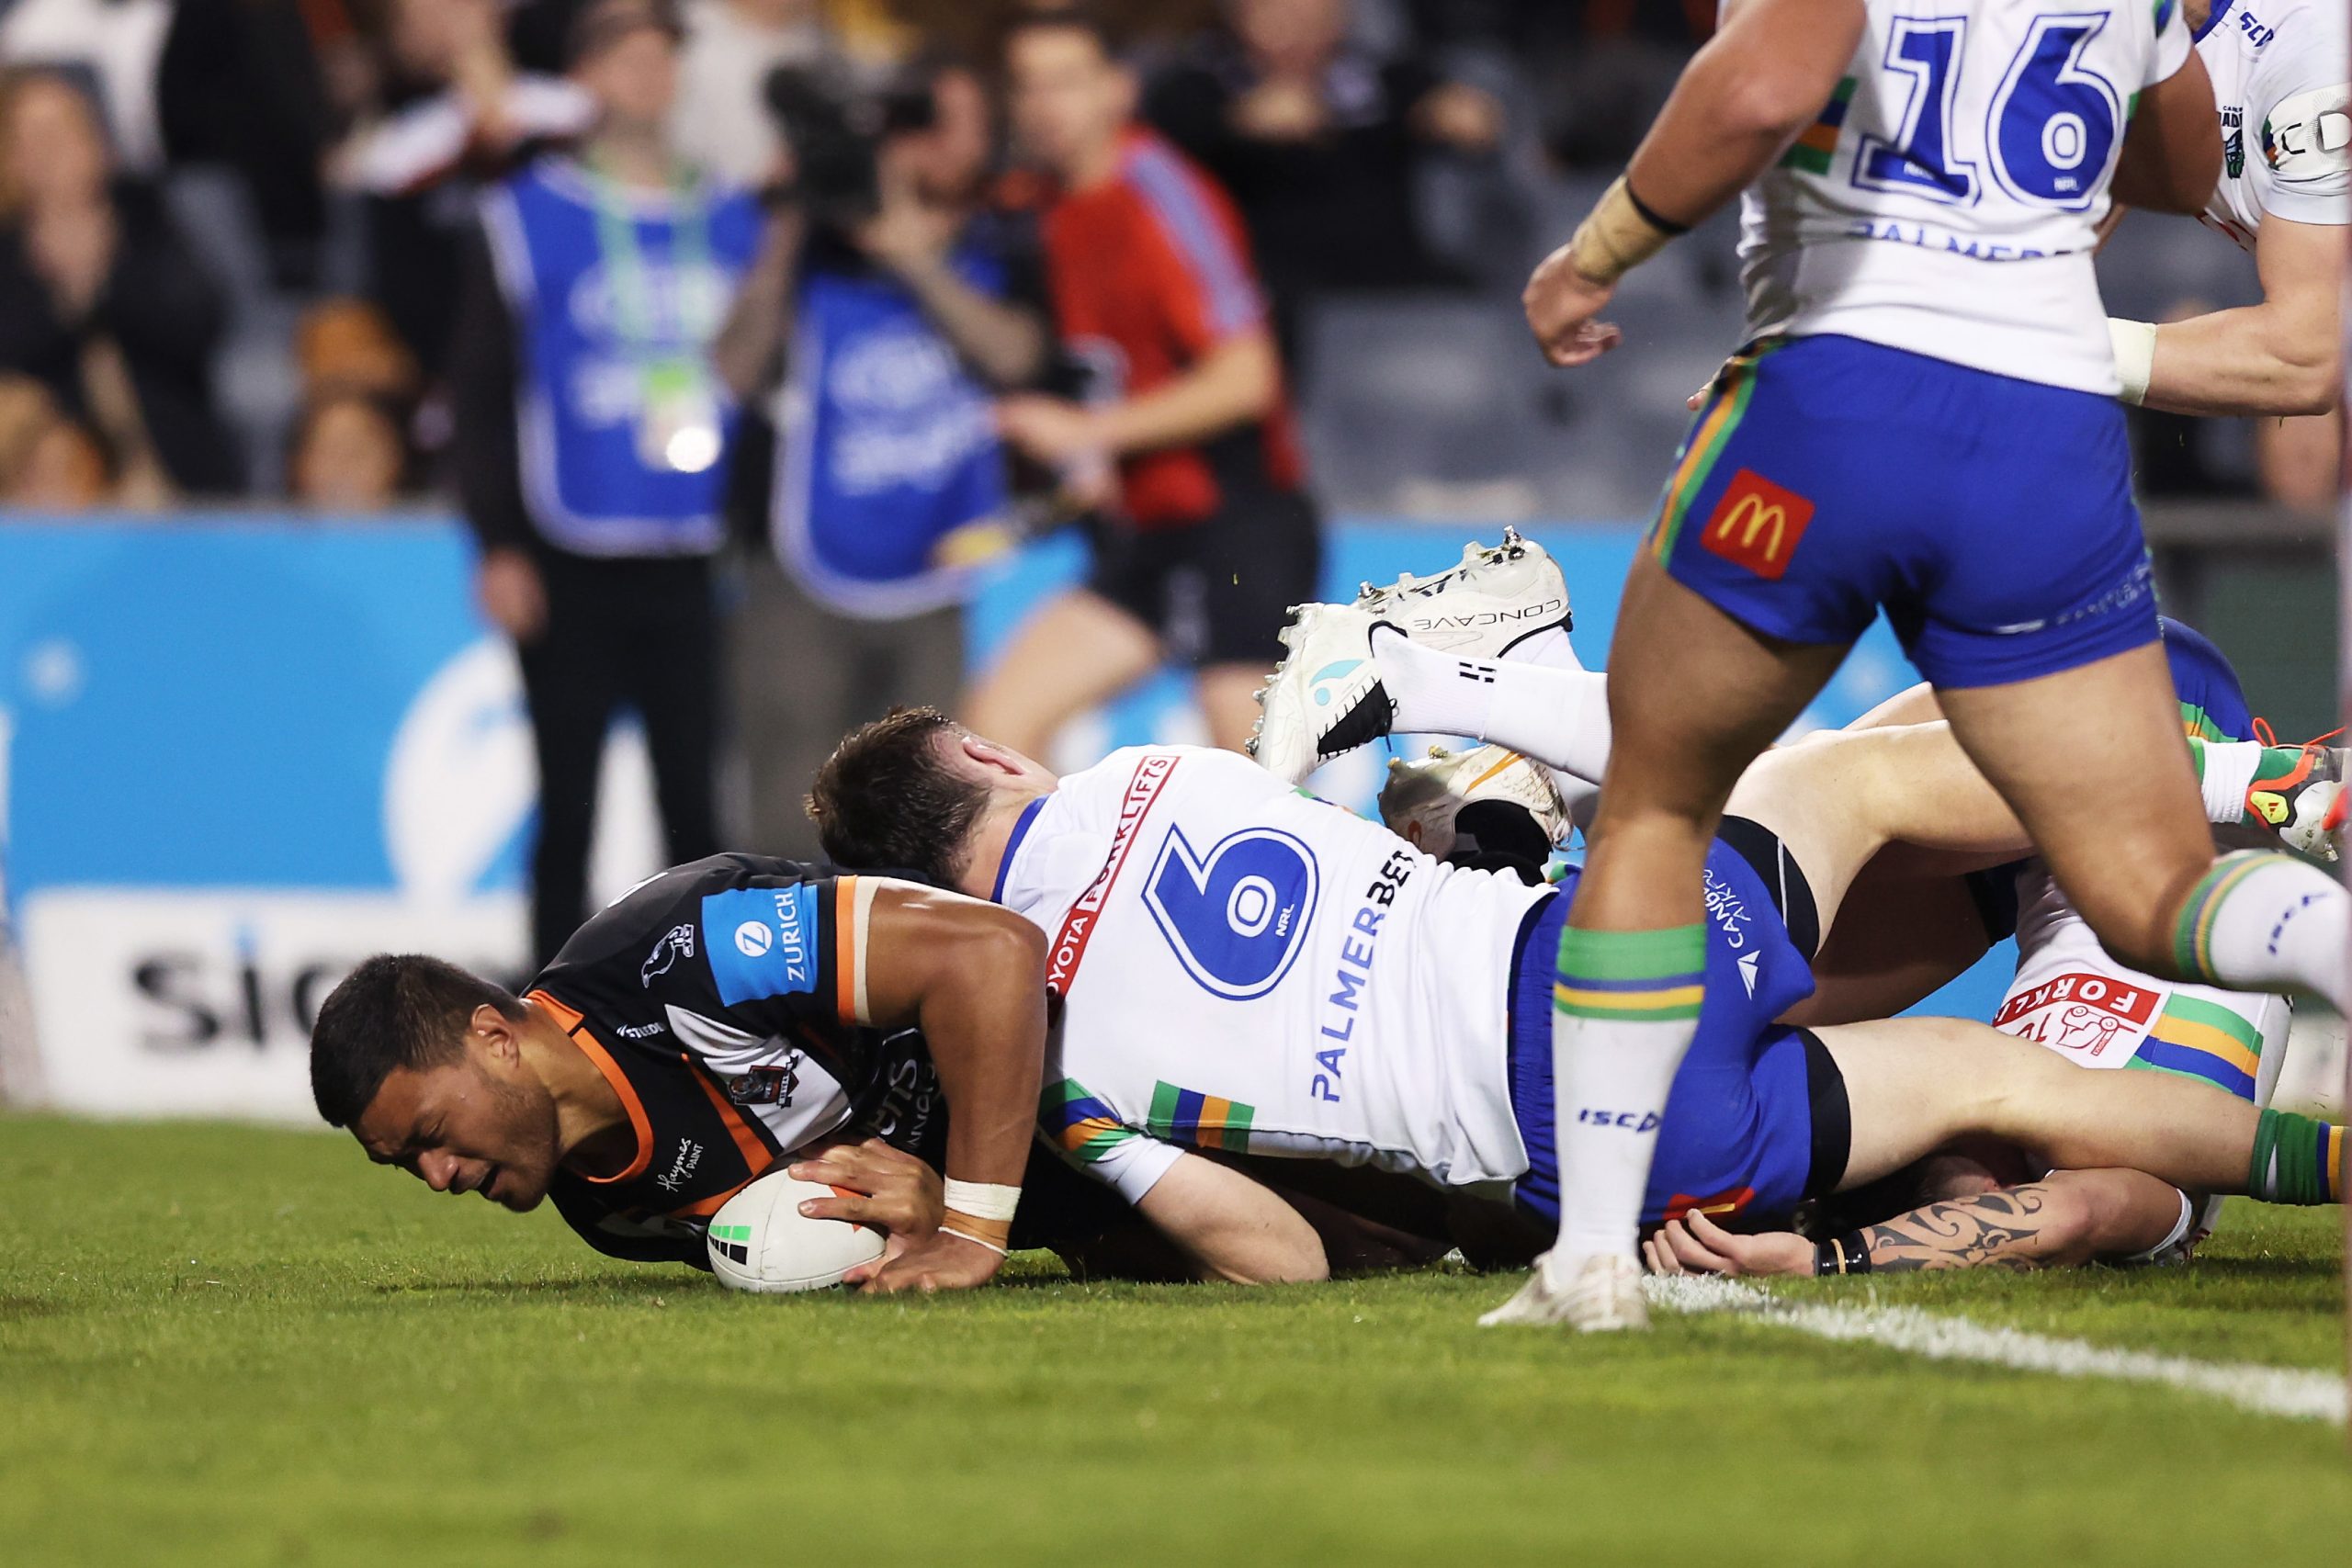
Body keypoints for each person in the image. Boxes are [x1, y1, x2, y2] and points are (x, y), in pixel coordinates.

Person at [1261, 0, 2347, 1332]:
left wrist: (1592, 258)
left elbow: (1761, 86)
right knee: (2137, 882)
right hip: (2035, 434)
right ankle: (1447, 698)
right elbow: (2179, 163)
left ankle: (1591, 1255)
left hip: (1844, 388)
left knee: (1672, 801)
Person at [805, 701, 2346, 1288]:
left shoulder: (1069, 1073)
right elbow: (1409, 857)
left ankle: (2329, 1168)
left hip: (1613, 1156)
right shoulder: (1162, 769)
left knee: (1992, 1078)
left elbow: (1275, 1256)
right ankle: (2263, 785)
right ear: (997, 761)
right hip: (1609, 951)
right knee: (1849, 773)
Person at [306, 860, 1049, 1293]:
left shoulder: (683, 952)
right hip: (1056, 1195)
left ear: (494, 1036)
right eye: (407, 1165)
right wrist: (929, 1209)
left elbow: (992, 954)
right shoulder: (613, 1218)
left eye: (430, 1135)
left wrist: (970, 1224)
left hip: (1081, 1028)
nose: (437, 1177)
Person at [447, 0, 765, 964]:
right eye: (623, 57)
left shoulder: (734, 213)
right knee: (569, 800)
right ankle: (552, 1010)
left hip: (695, 544)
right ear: (581, 76)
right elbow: (478, 388)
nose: (645, 75)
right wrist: (497, 539)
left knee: (697, 801)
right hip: (568, 545)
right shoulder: (524, 212)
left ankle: (711, 1022)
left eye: (660, 56)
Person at [719, 57, 1054, 860]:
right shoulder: (801, 246)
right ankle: (779, 984)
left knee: (931, 819)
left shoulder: (1004, 239)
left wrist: (911, 256)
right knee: (781, 818)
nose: (933, 149)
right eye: (916, 129)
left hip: (932, 573)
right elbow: (733, 367)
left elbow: (1016, 357)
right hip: (798, 573)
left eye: (956, 126)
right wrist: (794, 218)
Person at [965, 10, 1319, 760]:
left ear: (1116, 91)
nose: (1043, 104)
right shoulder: (1052, 206)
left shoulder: (1158, 192)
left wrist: (1086, 433)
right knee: (997, 728)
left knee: (1254, 792)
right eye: (1026, 85)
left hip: (1237, 522)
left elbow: (1247, 377)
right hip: (1154, 531)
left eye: (1066, 81)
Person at [1145, 0, 1505, 359]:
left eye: (1313, 15)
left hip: (1392, 291)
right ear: (1239, 15)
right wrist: (1238, 121)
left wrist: (1465, 117)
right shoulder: (1200, 83)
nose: (1295, 30)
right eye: (1277, 14)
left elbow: (1474, 123)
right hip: (1271, 304)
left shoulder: (1382, 78)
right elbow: (1154, 152)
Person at [0, 67, 239, 495]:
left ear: (98, 142)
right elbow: (14, 358)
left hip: (166, 445)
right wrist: (61, 290)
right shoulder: (7, 245)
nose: (51, 156)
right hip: (54, 465)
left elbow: (198, 326)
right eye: (33, 141)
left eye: (62, 134)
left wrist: (105, 275)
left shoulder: (145, 214)